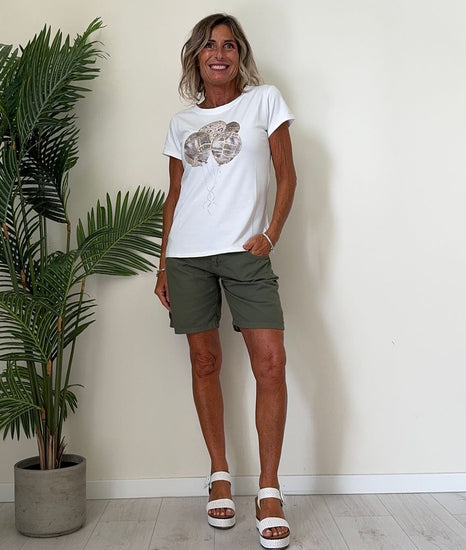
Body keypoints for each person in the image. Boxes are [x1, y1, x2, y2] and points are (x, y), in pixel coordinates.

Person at [154, 13, 296, 550]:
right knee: (204, 362)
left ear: (241, 56)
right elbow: (174, 195)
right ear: (196, 56)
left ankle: (269, 489)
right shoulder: (180, 123)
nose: (220, 53)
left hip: (246, 252)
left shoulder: (265, 102)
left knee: (271, 363)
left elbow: (287, 174)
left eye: (230, 45)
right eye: (210, 45)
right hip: (187, 255)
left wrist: (271, 234)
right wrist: (163, 263)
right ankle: (218, 474)